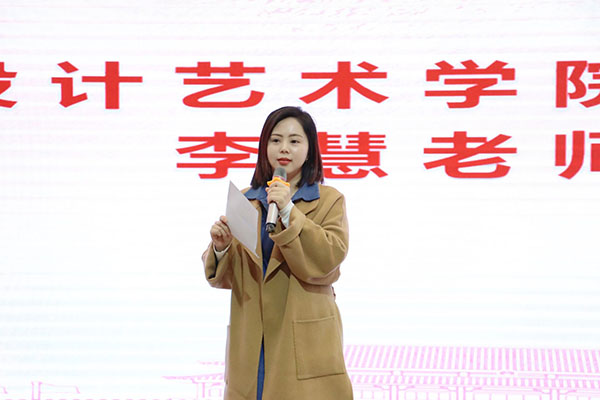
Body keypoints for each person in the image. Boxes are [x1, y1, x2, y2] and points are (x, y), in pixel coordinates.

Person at [203, 106, 353, 400]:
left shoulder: (328, 200)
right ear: (264, 147)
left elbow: (328, 260)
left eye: (295, 141)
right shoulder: (246, 199)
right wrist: (221, 248)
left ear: (309, 150)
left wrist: (288, 210)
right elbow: (231, 277)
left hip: (300, 337)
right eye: (275, 140)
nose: (284, 148)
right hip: (252, 337)